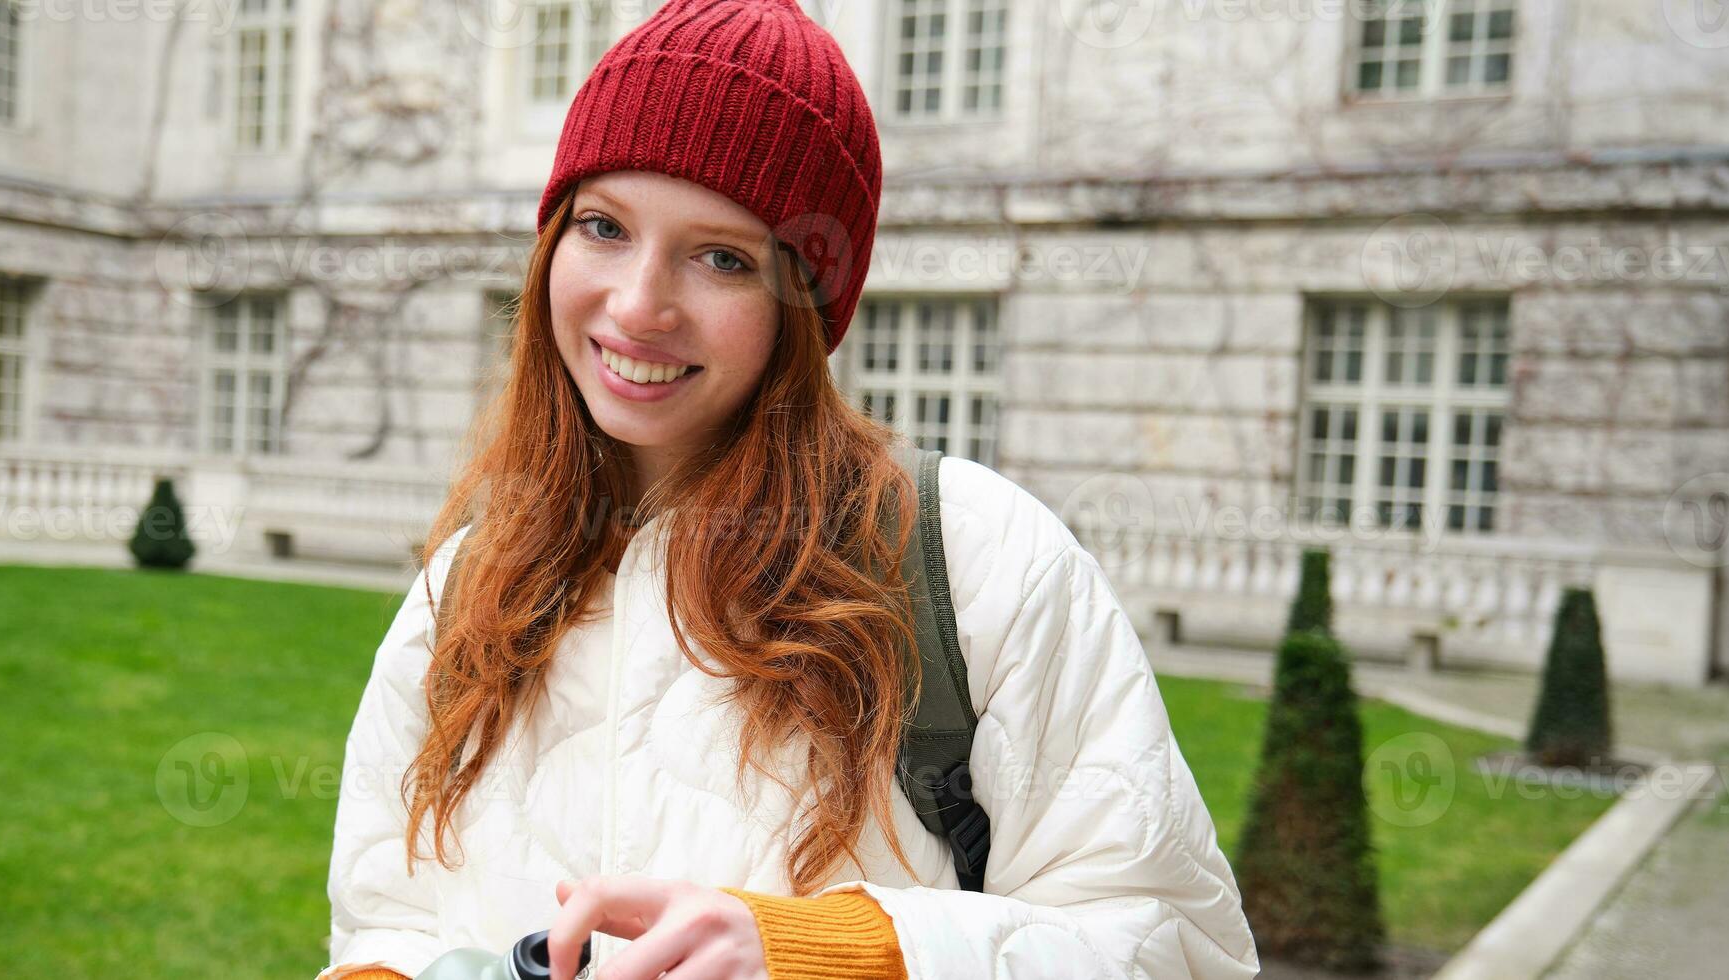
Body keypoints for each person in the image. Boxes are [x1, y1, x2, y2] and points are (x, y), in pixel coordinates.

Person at [321, 2, 1256, 978]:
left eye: (721, 256)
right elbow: (382, 922)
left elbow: (1172, 945)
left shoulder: (971, 557)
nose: (638, 304)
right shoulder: (467, 585)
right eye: (602, 226)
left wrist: (816, 952)